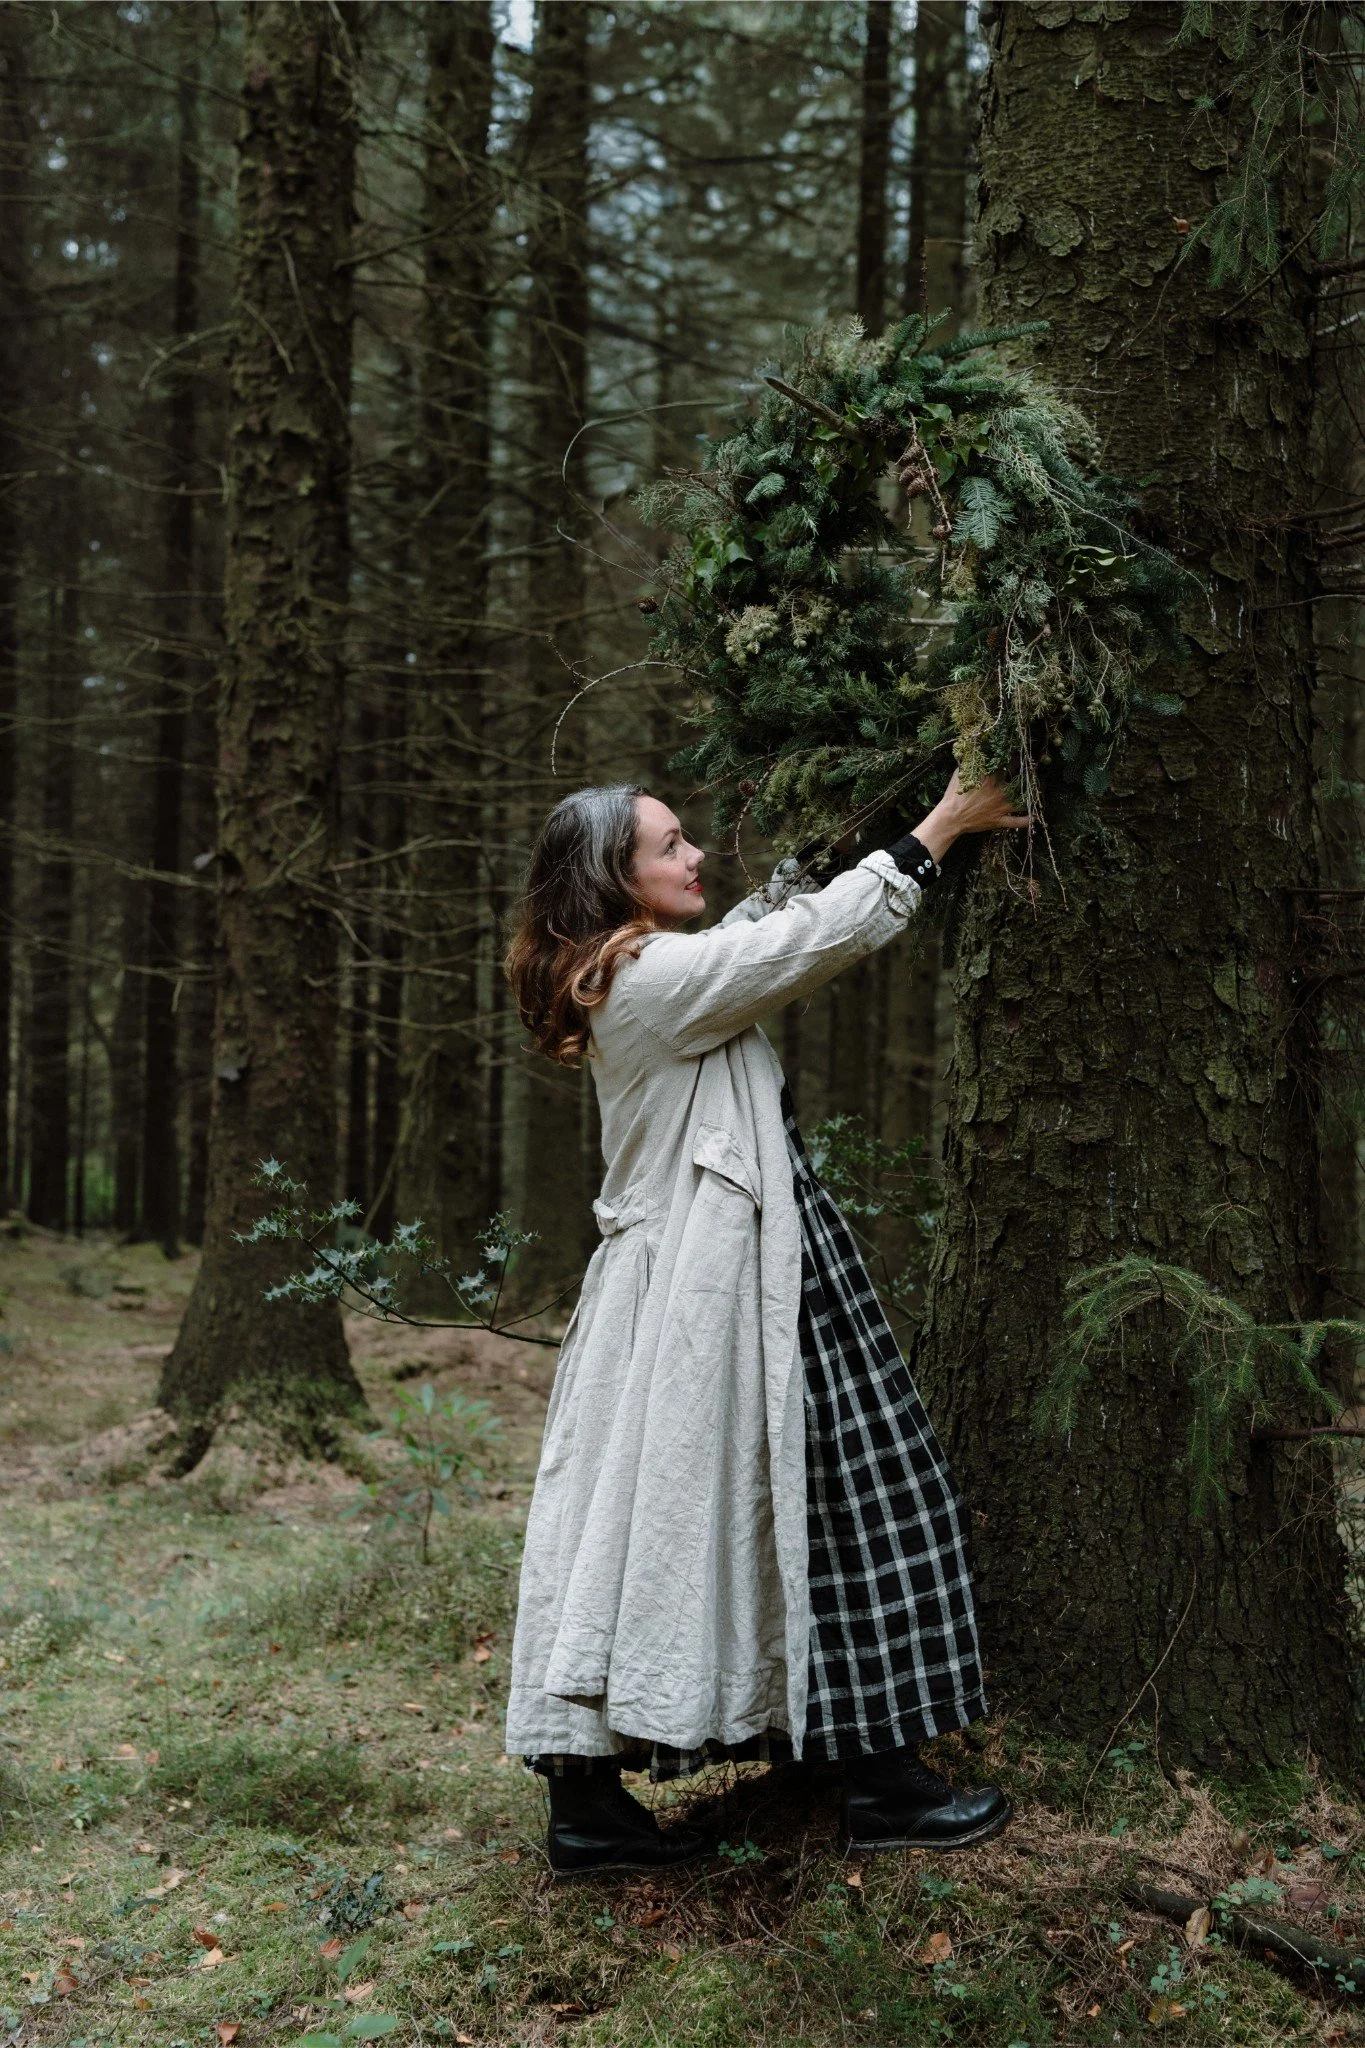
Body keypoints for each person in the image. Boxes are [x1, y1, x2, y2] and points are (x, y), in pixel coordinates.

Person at [503, 770, 1028, 1878]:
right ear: (614, 878)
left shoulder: (645, 973)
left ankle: (604, 1809)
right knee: (840, 1499)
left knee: (666, 1525)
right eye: (669, 845)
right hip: (704, 1285)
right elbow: (796, 945)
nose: (694, 856)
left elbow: (756, 930)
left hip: (721, 1273)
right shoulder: (642, 980)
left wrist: (831, 836)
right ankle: (875, 1786)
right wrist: (935, 829)